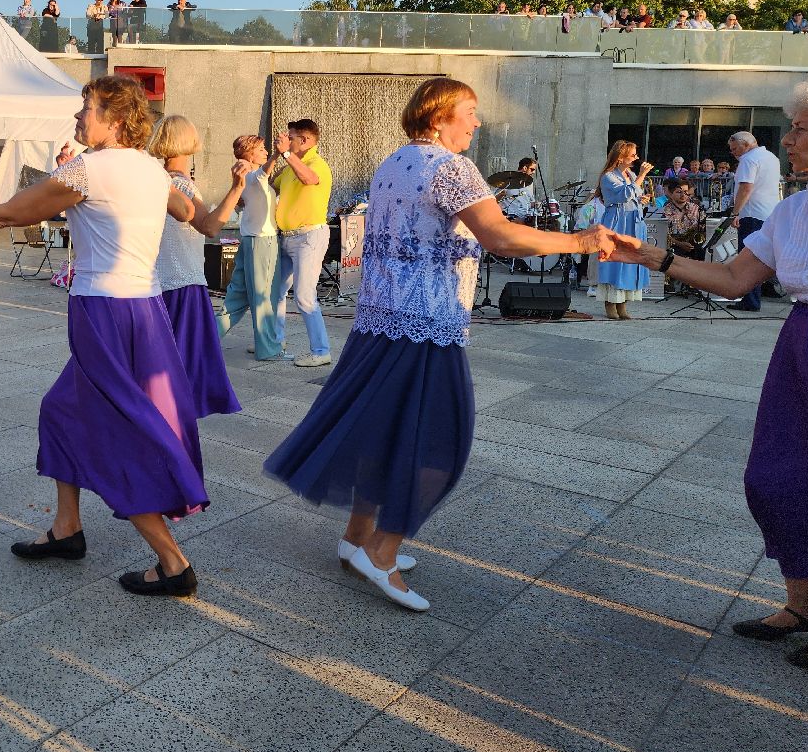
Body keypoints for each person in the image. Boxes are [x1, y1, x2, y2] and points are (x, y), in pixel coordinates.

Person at [264, 77, 623, 613]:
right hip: (426, 323)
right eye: (470, 112)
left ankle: (357, 539)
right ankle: (382, 553)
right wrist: (582, 240)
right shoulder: (452, 168)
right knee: (442, 442)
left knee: (379, 432)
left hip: (381, 318)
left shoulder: (391, 163)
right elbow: (499, 235)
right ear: (438, 116)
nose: (477, 122)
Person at [0, 75, 204, 596]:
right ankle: (67, 529)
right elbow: (191, 212)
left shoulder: (89, 169)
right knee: (61, 410)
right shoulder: (153, 171)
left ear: (114, 119)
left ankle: (173, 563)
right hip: (145, 311)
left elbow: (4, 214)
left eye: (86, 108)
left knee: (117, 435)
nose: (78, 118)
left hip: (104, 313)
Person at [618, 78, 808, 672]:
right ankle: (807, 603)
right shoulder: (793, 210)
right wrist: (653, 257)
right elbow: (733, 281)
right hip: (800, 346)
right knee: (772, 475)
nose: (788, 139)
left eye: (801, 128)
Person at [147, 115, 248, 418]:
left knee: (162, 362)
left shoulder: (155, 180)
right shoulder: (181, 185)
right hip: (185, 284)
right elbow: (210, 227)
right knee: (187, 368)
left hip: (157, 283)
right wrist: (236, 188)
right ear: (187, 142)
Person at [269, 119, 333, 367]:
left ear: (305, 140)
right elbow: (269, 182)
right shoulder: (288, 167)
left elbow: (308, 179)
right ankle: (275, 341)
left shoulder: (318, 164)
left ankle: (321, 350)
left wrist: (286, 153)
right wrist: (276, 155)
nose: (288, 140)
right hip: (286, 237)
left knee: (305, 296)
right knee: (276, 292)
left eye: (292, 137)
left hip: (309, 237)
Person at [216, 134, 284, 360]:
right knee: (265, 297)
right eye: (261, 148)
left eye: (266, 149)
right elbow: (264, 172)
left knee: (236, 297)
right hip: (262, 242)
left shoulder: (241, 173)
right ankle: (268, 350)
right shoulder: (251, 174)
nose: (265, 151)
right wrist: (278, 153)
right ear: (249, 153)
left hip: (249, 240)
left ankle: (207, 339)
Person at [594, 140, 652, 319]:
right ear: (620, 157)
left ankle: (623, 304)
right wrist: (642, 175)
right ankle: (610, 302)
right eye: (633, 154)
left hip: (633, 220)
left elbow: (633, 195)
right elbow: (622, 195)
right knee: (615, 260)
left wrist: (642, 199)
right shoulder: (608, 176)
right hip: (618, 221)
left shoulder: (631, 174)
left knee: (630, 260)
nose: (636, 157)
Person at [727, 129, 782, 311]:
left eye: (735, 148)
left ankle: (750, 299)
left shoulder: (748, 160)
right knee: (763, 257)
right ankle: (761, 292)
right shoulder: (772, 157)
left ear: (746, 145)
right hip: (768, 213)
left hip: (752, 214)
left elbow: (746, 188)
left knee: (748, 258)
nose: (733, 153)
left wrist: (735, 213)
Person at [662, 178, 705, 261]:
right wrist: (680, 244)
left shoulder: (696, 208)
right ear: (671, 194)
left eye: (685, 192)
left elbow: (702, 229)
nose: (683, 195)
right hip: (674, 247)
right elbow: (663, 234)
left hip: (694, 246)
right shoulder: (665, 210)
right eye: (679, 192)